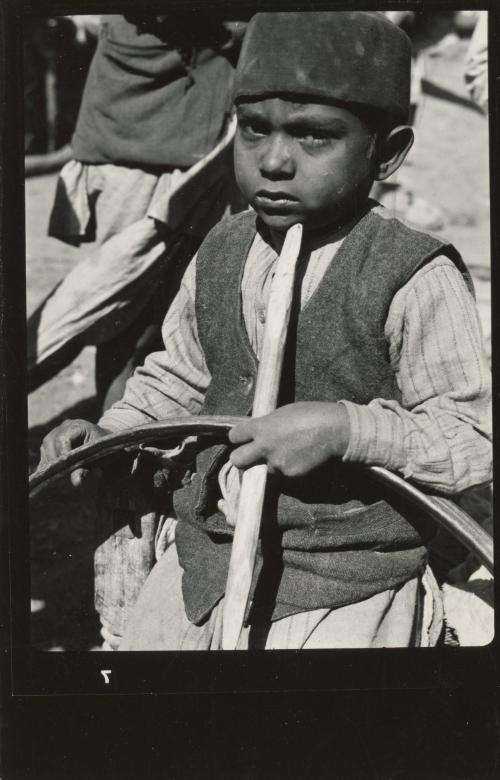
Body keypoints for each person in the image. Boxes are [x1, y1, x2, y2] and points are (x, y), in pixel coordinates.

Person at [40, 11, 492, 650]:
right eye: (254, 130)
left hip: (351, 568)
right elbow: (183, 374)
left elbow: (472, 436)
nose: (275, 161)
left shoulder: (412, 273)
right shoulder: (222, 248)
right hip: (211, 547)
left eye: (315, 137)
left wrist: (344, 428)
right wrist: (112, 430)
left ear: (385, 152)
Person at [28, 13, 246, 409]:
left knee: (168, 315)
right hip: (139, 136)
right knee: (110, 308)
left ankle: (124, 439)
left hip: (205, 130)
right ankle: (112, 447)